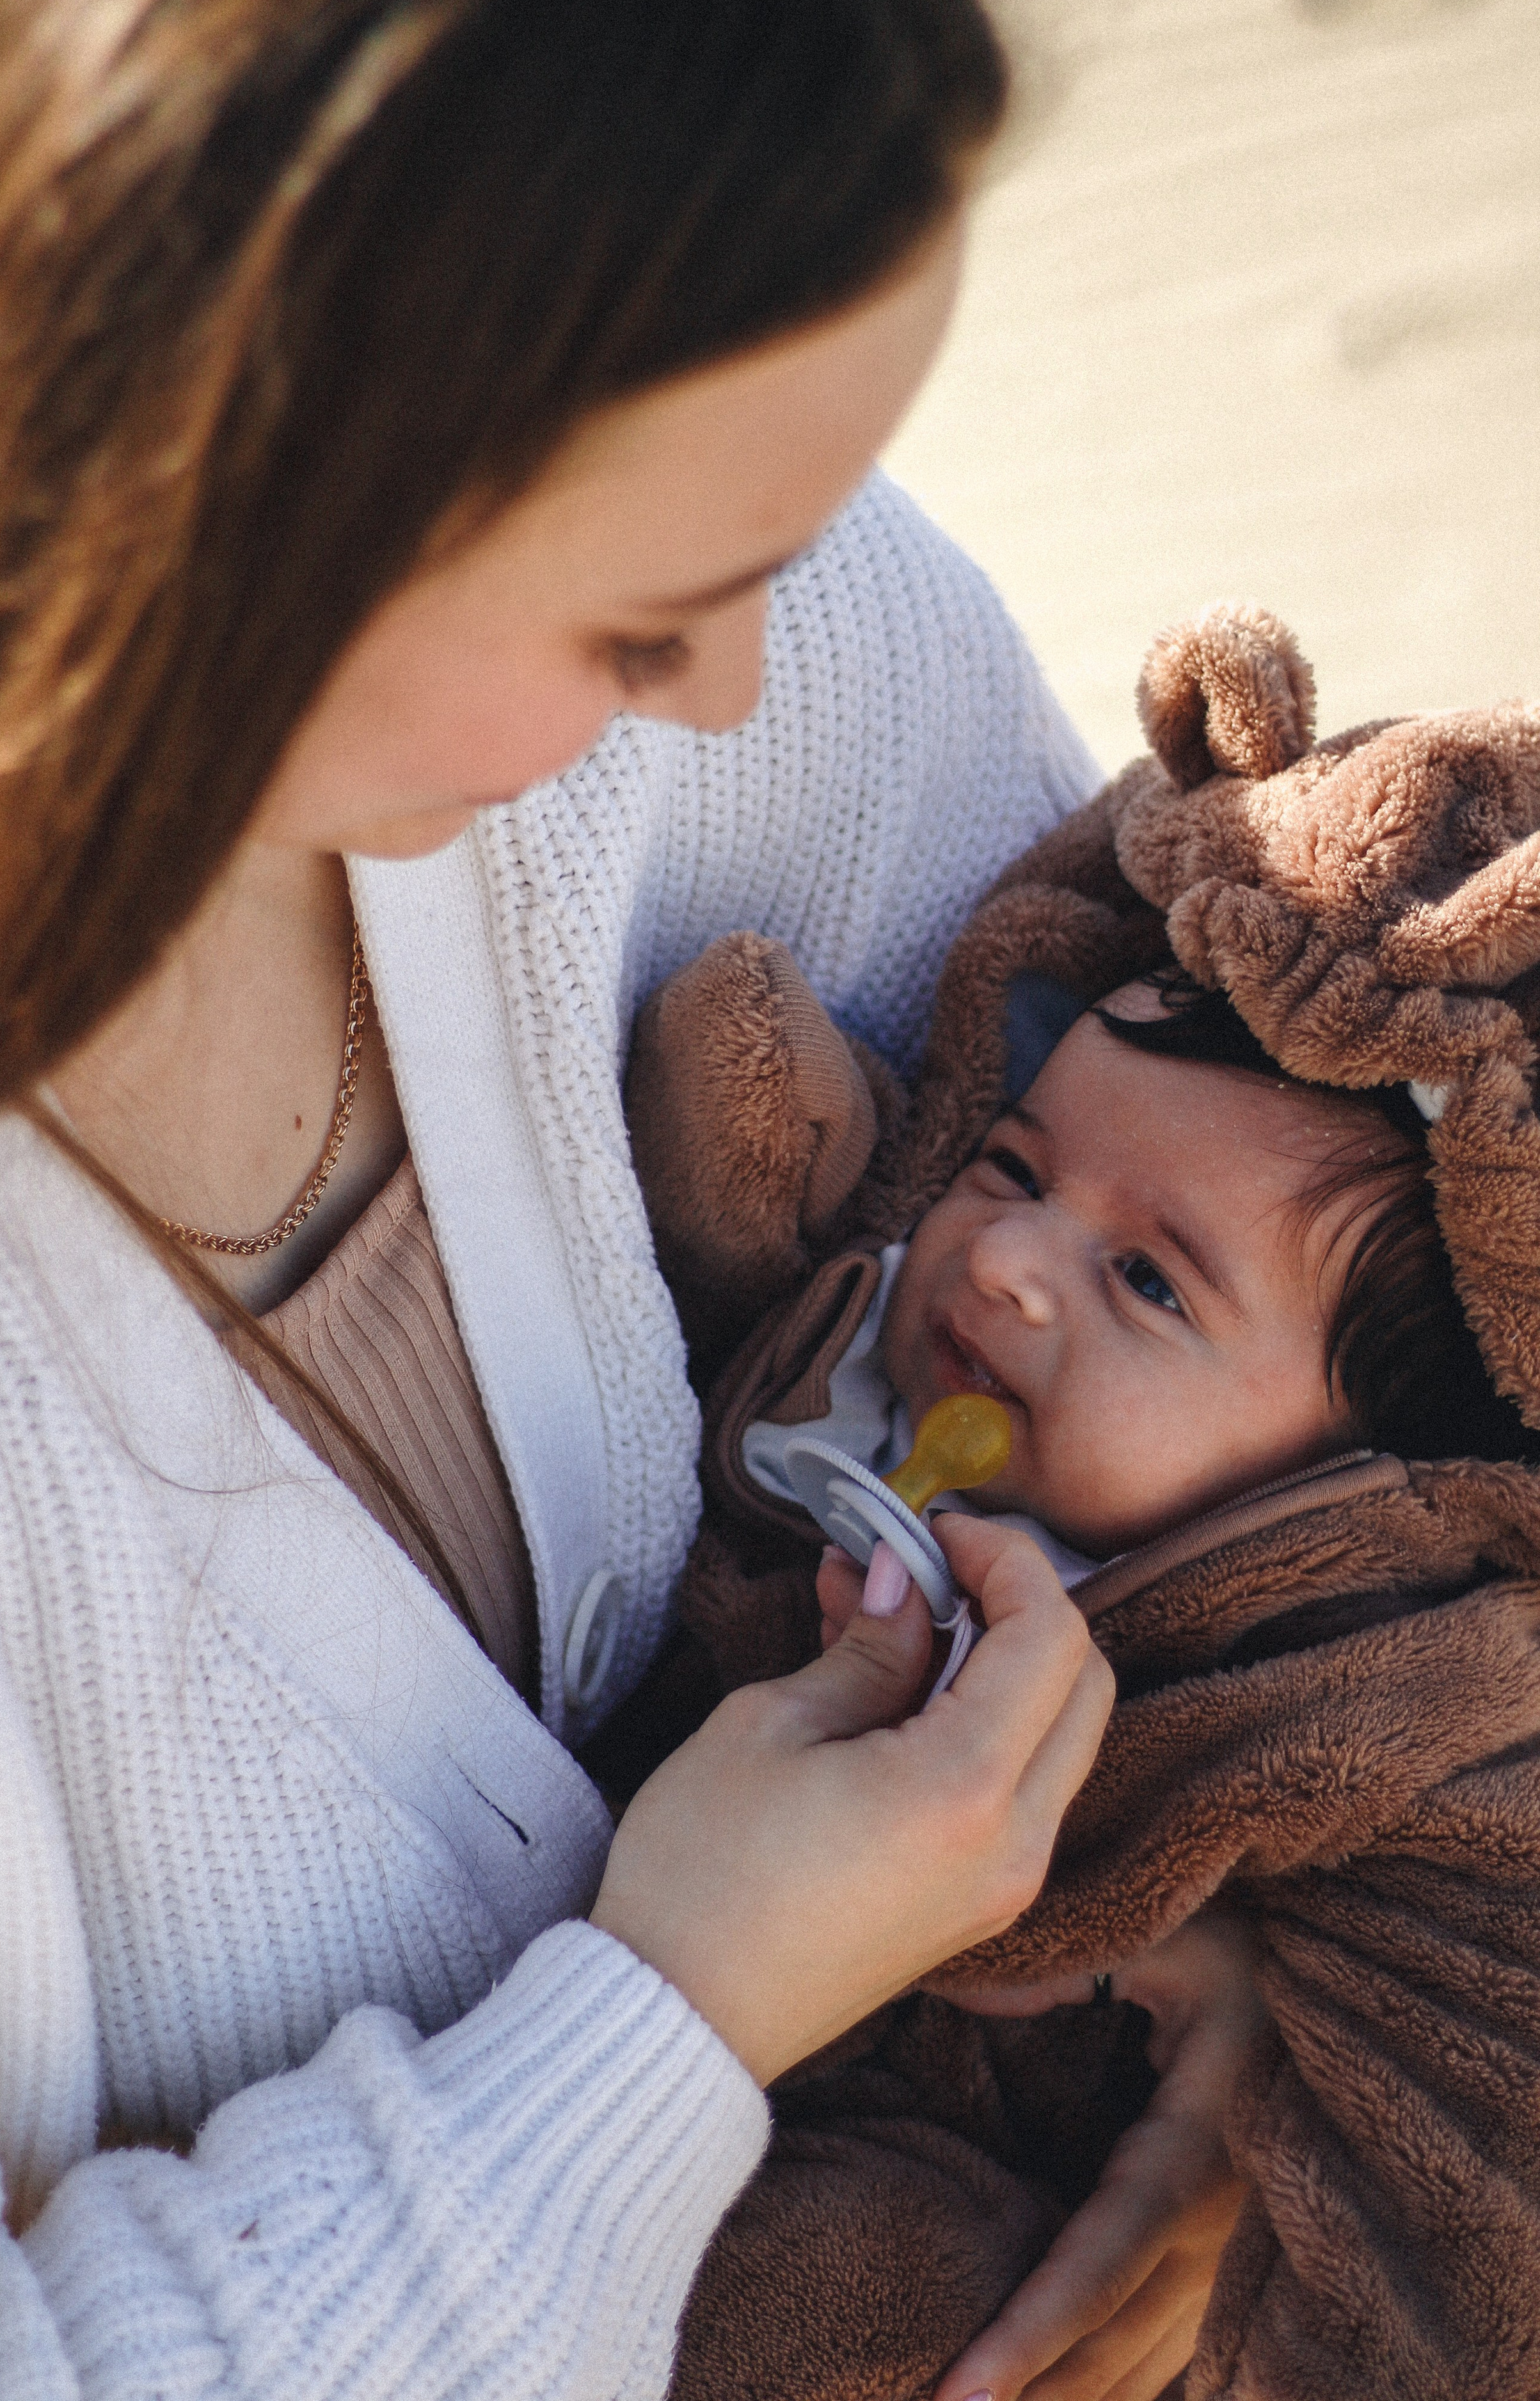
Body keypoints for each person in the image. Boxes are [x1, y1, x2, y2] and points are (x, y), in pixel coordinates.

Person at [0, 0, 1246, 2397]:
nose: (740, 684)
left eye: (799, 535)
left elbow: (1264, 1234)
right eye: (641, 618)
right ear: (225, 470)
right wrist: (673, 2020)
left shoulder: (749, 618)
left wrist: (1273, 1931)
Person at [619, 602, 1540, 2401]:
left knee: (909, 2298)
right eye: (1018, 1161)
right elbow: (778, 1210)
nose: (1012, 1265)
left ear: (1372, 1481)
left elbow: (1481, 2136)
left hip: (979, 2184)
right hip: (670, 1998)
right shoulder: (881, 1353)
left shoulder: (1401, 1709)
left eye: (1152, 1285)